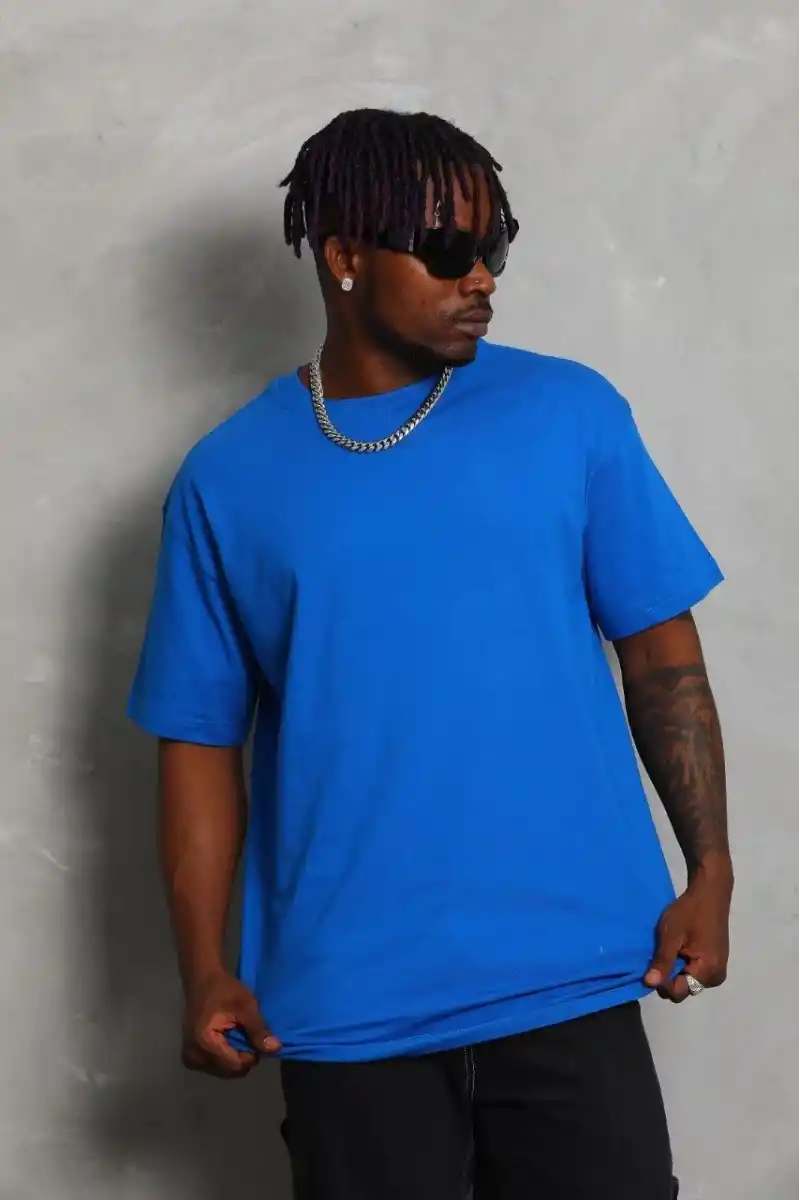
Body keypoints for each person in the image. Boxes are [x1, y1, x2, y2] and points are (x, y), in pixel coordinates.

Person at [128, 108, 732, 1200]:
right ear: (343, 256)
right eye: (449, 249)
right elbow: (200, 743)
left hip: (574, 973)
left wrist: (711, 871)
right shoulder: (227, 479)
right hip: (343, 1008)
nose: (481, 277)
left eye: (494, 245)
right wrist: (204, 966)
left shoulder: (568, 415)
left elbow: (662, 659)